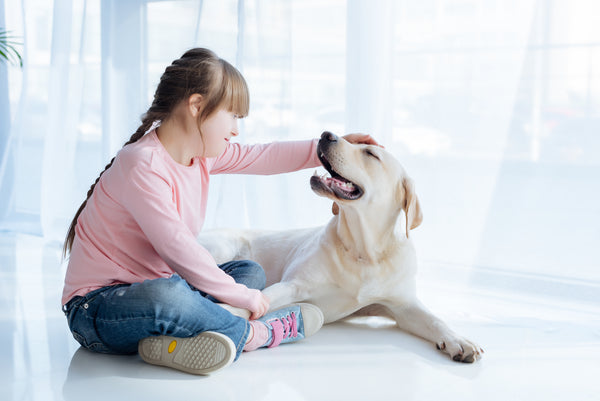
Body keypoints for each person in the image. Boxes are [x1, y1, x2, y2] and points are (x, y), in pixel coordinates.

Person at [61, 47, 379, 375]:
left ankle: (186, 337)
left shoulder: (202, 155)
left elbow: (263, 156)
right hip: (96, 310)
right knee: (171, 296)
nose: (236, 129)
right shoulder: (142, 164)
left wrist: (322, 151)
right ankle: (258, 333)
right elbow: (178, 249)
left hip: (158, 289)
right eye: (233, 115)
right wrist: (245, 300)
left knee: (248, 271)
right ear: (196, 106)